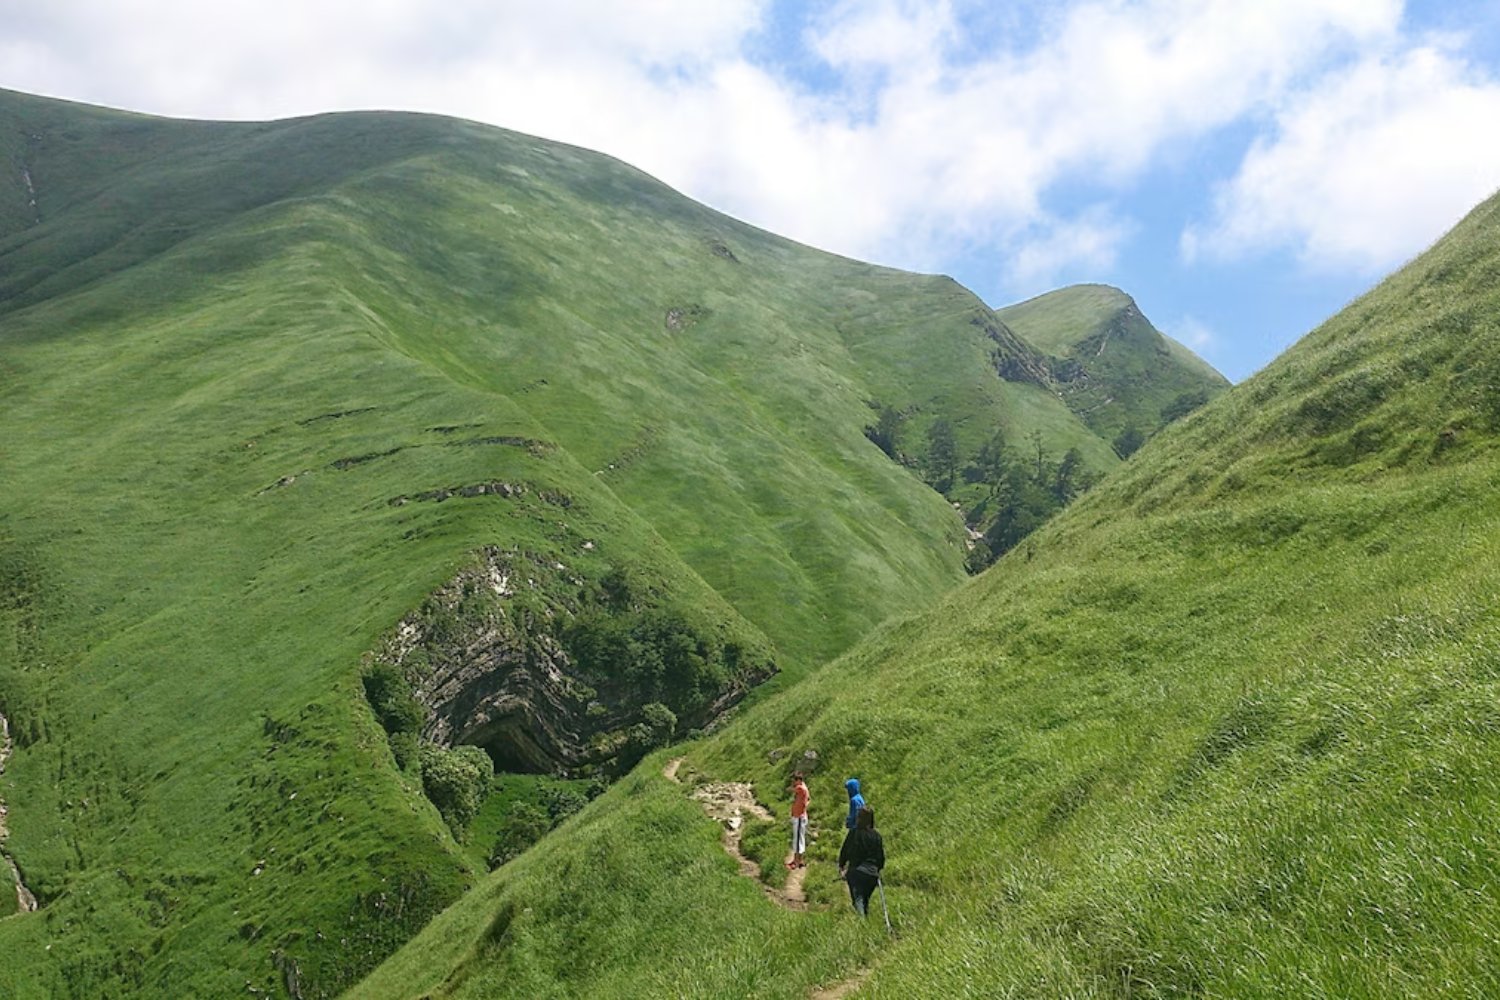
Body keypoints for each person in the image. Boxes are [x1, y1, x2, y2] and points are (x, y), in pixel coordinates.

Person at [838, 805, 884, 916]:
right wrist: (878, 868)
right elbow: (881, 857)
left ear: (859, 818)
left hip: (856, 872)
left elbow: (845, 850)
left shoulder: (854, 833)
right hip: (872, 873)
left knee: (858, 899)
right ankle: (865, 924)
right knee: (865, 900)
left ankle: (862, 922)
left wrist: (842, 865)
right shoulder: (876, 836)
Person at [787, 770, 809, 869]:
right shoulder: (804, 787)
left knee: (797, 840)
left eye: (794, 780)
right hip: (800, 816)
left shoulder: (800, 788)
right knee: (800, 839)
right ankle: (799, 860)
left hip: (799, 817)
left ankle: (795, 862)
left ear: (798, 780)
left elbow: (791, 789)